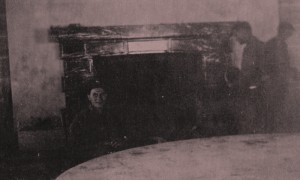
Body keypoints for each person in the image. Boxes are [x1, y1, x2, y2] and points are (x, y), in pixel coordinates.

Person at [225, 22, 265, 134]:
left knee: (251, 122)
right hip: (246, 90)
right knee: (245, 121)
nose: (236, 39)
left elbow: (263, 71)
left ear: (244, 32)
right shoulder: (248, 47)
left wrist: (252, 86)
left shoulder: (259, 47)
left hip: (253, 92)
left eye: (236, 35)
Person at [68, 79, 123, 163]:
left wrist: (118, 141)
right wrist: (100, 147)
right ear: (89, 97)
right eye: (95, 95)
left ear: (106, 96)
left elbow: (120, 134)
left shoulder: (112, 115)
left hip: (111, 156)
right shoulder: (81, 118)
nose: (99, 98)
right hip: (89, 159)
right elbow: (75, 146)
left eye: (102, 94)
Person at [264, 22, 296, 132]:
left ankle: (278, 131)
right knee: (274, 110)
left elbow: (284, 64)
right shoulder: (271, 44)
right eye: (288, 33)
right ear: (282, 31)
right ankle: (273, 132)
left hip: (281, 83)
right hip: (274, 83)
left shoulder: (282, 44)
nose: (289, 36)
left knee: (280, 108)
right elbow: (268, 64)